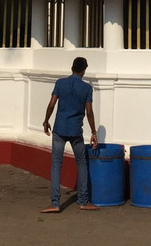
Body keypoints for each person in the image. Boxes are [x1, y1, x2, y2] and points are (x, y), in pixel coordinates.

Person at [40, 56, 99, 212]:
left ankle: (54, 203)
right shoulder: (87, 88)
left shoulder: (60, 83)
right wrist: (93, 132)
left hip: (59, 129)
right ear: (84, 70)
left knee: (56, 165)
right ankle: (83, 201)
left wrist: (46, 121)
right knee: (81, 163)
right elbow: (89, 112)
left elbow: (51, 104)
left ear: (72, 68)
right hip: (75, 131)